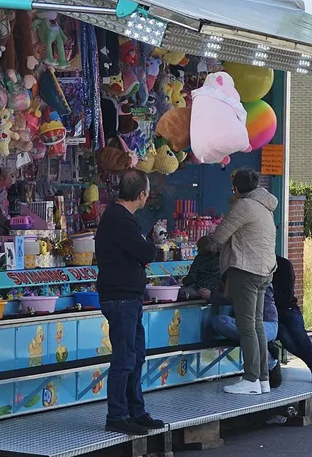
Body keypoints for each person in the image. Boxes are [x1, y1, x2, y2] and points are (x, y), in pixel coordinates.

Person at [95, 169, 164, 435]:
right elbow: (145, 252)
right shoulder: (120, 219)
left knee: (135, 356)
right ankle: (117, 414)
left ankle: (136, 411)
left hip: (128, 296)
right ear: (142, 194)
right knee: (125, 358)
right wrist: (153, 242)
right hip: (121, 296)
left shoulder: (119, 218)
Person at [208, 169, 278, 396]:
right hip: (264, 271)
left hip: (246, 270)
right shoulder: (265, 206)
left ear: (237, 189)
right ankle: (262, 380)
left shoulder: (243, 206)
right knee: (257, 326)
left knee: (246, 327)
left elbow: (219, 238)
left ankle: (250, 378)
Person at [271, 255, 312, 387]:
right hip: (270, 314)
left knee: (297, 329)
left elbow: (287, 294)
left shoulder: (284, 265)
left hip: (287, 307)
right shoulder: (257, 268)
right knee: (285, 335)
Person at [180, 236, 224, 300]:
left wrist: (183, 281)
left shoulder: (199, 259)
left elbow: (192, 278)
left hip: (201, 291)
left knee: (182, 291)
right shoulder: (220, 258)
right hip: (218, 291)